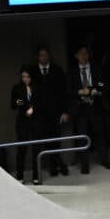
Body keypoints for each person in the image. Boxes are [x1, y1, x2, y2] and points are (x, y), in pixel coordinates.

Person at [67, 44, 110, 173]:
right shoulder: (72, 71)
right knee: (82, 136)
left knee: (100, 134)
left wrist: (94, 90)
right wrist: (80, 92)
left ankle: (104, 160)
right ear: (76, 56)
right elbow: (68, 91)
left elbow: (104, 84)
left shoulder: (97, 68)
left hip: (95, 106)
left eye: (86, 53)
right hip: (80, 109)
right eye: (81, 53)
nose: (84, 56)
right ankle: (84, 165)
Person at [30, 46, 70, 177]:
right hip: (39, 114)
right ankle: (56, 165)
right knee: (44, 141)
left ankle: (56, 166)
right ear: (38, 57)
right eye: (41, 55)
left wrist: (64, 111)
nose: (44, 57)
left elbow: (64, 92)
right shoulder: (32, 72)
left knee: (55, 140)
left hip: (55, 112)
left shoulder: (57, 70)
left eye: (46, 55)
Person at [10, 69, 44, 184]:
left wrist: (33, 108)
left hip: (36, 121)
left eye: (28, 77)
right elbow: (14, 104)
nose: (25, 79)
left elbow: (42, 102)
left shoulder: (37, 87)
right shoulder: (17, 88)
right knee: (22, 148)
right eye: (23, 77)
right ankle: (20, 177)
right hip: (22, 121)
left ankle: (36, 176)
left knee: (36, 149)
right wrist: (24, 104)